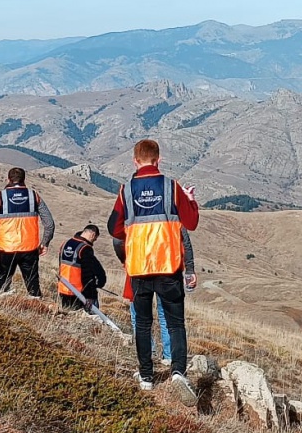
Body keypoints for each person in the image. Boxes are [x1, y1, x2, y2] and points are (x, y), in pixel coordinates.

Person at [109, 139, 199, 402]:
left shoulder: (126, 191)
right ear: (159, 160)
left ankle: (146, 377)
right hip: (169, 267)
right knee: (175, 323)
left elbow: (114, 229)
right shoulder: (172, 188)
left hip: (139, 268)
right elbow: (191, 223)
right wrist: (190, 201)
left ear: (135, 161)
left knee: (143, 323)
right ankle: (178, 372)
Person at [116, 230, 195, 364]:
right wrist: (190, 268)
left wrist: (126, 259)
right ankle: (169, 357)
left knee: (139, 318)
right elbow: (185, 240)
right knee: (167, 317)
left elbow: (117, 240)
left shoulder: (134, 210)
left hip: (139, 269)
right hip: (167, 269)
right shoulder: (171, 210)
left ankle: (146, 357)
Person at [0, 167, 54, 296]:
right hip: (29, 249)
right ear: (24, 180)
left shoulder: (0, 197)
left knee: (0, 285)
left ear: (8, 179)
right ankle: (37, 307)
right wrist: (44, 243)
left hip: (6, 249)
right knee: (33, 286)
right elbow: (49, 224)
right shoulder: (34, 196)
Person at [57, 225, 107, 310]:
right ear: (93, 234)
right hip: (79, 293)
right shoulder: (85, 248)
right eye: (95, 239)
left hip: (63, 289)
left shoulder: (65, 243)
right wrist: (89, 296)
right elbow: (87, 275)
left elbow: (60, 266)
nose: (94, 241)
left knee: (67, 315)